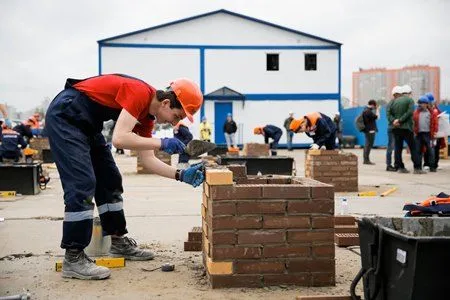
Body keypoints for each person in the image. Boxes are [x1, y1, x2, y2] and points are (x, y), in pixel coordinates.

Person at [45, 74, 205, 280]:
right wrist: (162, 143)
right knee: (82, 183)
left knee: (110, 180)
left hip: (88, 124)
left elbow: (148, 160)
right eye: (177, 116)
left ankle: (118, 241)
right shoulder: (139, 93)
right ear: (166, 102)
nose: (173, 122)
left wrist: (181, 175)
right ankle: (73, 258)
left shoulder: (146, 119)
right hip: (65, 116)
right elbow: (119, 139)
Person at [387, 85, 424, 174]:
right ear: (409, 93)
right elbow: (410, 112)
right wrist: (400, 120)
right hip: (407, 128)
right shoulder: (409, 100)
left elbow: (388, 114)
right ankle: (417, 168)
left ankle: (400, 167)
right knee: (413, 148)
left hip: (396, 128)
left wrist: (394, 121)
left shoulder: (392, 102)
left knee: (398, 148)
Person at [413, 95, 438, 172]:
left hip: (428, 135)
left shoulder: (431, 113)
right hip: (419, 135)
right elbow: (413, 123)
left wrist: (434, 132)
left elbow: (435, 123)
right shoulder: (416, 112)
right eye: (420, 103)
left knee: (431, 150)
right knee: (418, 151)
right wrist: (414, 132)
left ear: (427, 104)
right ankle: (417, 167)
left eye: (423, 103)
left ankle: (432, 167)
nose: (421, 105)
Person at [424, 92, 445, 170]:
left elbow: (440, 116)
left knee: (436, 148)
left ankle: (435, 164)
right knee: (427, 147)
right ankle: (426, 163)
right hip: (427, 132)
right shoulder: (424, 110)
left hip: (436, 132)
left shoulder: (436, 109)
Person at [386, 86, 402, 171]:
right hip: (392, 128)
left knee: (397, 147)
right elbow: (388, 116)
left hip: (398, 128)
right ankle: (388, 165)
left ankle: (397, 164)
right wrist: (395, 121)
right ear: (395, 94)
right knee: (391, 146)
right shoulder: (391, 103)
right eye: (399, 94)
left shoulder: (399, 103)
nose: (400, 96)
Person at [362, 100, 379, 165]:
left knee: (367, 145)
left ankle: (366, 160)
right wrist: (377, 109)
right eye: (374, 106)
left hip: (367, 130)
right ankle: (366, 160)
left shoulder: (365, 110)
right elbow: (377, 117)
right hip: (370, 131)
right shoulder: (368, 111)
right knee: (368, 145)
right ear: (372, 105)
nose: (374, 107)